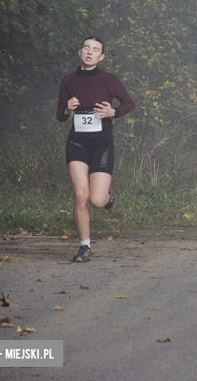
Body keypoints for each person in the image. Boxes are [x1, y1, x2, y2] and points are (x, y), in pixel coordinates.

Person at [56, 37, 135, 262]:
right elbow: (60, 116)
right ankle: (84, 247)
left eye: (96, 50)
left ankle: (107, 197)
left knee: (97, 201)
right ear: (80, 52)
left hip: (102, 143)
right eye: (87, 48)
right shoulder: (69, 81)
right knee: (80, 196)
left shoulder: (108, 79)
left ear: (101, 57)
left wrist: (114, 112)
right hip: (77, 142)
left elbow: (130, 103)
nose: (90, 53)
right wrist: (67, 110)